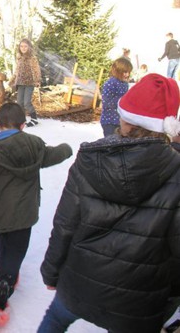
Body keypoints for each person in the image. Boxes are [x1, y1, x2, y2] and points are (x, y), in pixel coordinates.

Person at [38, 73, 180, 333]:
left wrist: (51, 271)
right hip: (138, 302)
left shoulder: (90, 158)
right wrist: (169, 301)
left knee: (55, 320)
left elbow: (65, 224)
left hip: (79, 283)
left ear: (124, 117)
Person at [0, 102, 72, 311]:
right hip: (25, 214)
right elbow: (53, 154)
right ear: (22, 126)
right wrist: (67, 149)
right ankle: (6, 277)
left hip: (0, 213)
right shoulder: (35, 146)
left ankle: (3, 285)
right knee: (16, 250)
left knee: (6, 244)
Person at [10, 38, 41, 127]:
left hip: (29, 83)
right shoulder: (19, 58)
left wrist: (37, 80)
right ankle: (21, 120)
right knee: (19, 102)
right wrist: (12, 80)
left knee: (27, 102)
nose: (23, 48)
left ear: (29, 47)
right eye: (21, 46)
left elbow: (36, 70)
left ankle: (34, 119)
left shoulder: (32, 58)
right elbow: (17, 71)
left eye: (25, 46)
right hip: (20, 83)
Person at [100, 57, 133, 137]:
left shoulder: (124, 84)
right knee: (111, 144)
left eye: (128, 72)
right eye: (125, 72)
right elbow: (107, 102)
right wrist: (122, 101)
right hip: (109, 121)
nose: (127, 75)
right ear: (117, 71)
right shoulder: (110, 83)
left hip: (121, 121)